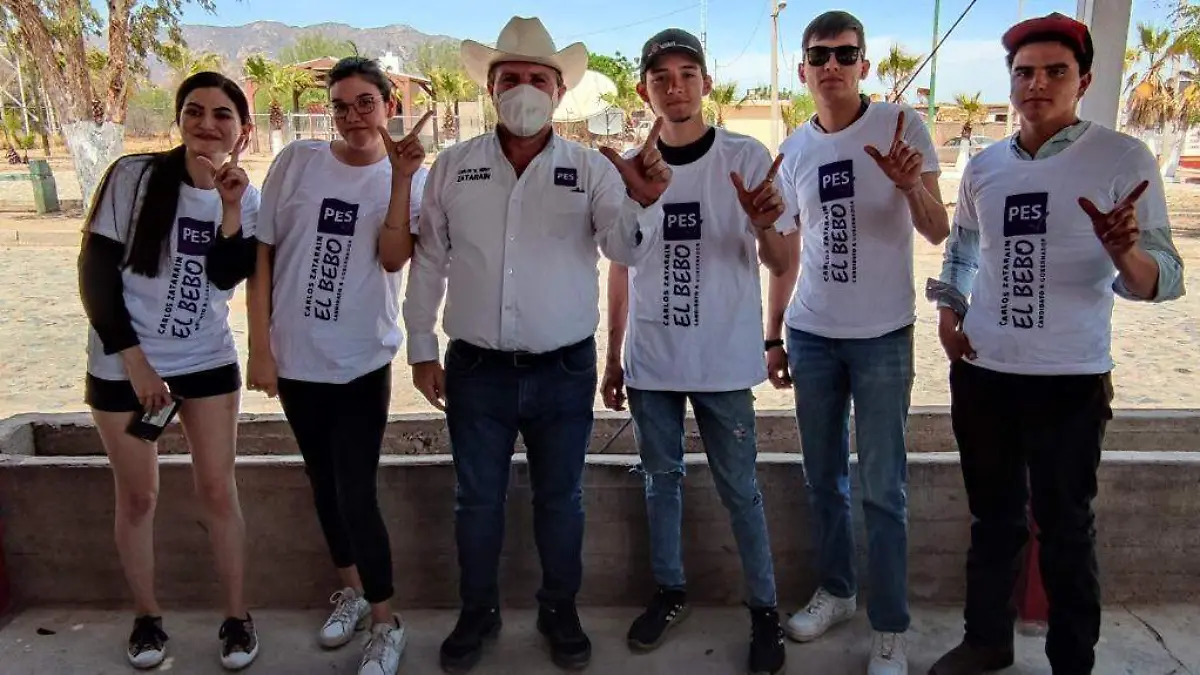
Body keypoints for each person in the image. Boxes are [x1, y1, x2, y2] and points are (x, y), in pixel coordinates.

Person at [402, 15, 671, 673]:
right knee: (476, 501)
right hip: (475, 371)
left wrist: (644, 203)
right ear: (491, 88)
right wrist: (421, 347)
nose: (524, 89)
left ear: (559, 91)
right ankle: (478, 611)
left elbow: (624, 249)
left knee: (561, 499)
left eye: (537, 79)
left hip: (563, 371)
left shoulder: (591, 169)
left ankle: (559, 609)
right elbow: (430, 259)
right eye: (511, 78)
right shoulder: (453, 166)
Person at [925, 13, 1185, 675]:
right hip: (984, 374)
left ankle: (1073, 659)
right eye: (1024, 72)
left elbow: (1165, 277)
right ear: (1010, 81)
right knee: (993, 520)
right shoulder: (984, 167)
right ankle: (986, 640)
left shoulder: (1123, 159)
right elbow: (964, 251)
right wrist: (950, 314)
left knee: (1066, 528)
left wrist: (1125, 254)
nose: (1037, 84)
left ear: (1084, 81)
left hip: (1069, 378)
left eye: (1055, 71)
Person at [599, 27, 789, 675]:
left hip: (723, 360)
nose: (675, 87)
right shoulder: (630, 168)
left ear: (706, 83)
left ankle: (764, 609)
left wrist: (763, 222)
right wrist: (613, 357)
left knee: (741, 488)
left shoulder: (746, 157)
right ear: (643, 90)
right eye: (661, 78)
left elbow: (781, 260)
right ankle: (670, 590)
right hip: (652, 360)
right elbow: (620, 267)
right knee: (661, 482)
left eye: (687, 75)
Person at [767, 10, 950, 675]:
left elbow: (937, 229)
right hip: (812, 334)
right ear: (803, 70)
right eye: (820, 55)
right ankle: (839, 592)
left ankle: (891, 626)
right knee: (823, 478)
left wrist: (909, 185)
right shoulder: (793, 149)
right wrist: (773, 336)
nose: (832, 66)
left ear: (864, 65)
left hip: (882, 338)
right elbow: (785, 255)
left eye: (846, 54)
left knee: (883, 487)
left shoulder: (902, 127)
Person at [245, 56, 431, 675]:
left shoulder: (412, 177)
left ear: (389, 106)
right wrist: (261, 347)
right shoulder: (296, 162)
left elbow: (394, 258)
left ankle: (386, 621)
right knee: (323, 484)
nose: (353, 117)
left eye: (366, 104)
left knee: (356, 491)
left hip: (360, 360)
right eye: (341, 106)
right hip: (296, 359)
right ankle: (351, 591)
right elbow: (264, 254)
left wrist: (400, 180)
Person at [77, 71, 260, 671]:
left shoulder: (246, 195)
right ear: (179, 120)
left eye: (222, 114)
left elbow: (227, 276)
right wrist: (136, 363)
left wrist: (229, 208)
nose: (206, 124)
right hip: (123, 362)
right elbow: (95, 275)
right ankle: (147, 617)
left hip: (205, 360)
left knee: (218, 490)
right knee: (138, 496)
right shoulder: (133, 177)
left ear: (242, 129)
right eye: (194, 111)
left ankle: (237, 618)